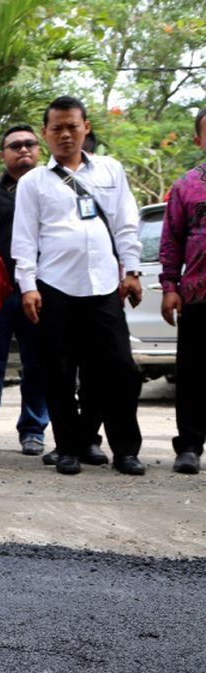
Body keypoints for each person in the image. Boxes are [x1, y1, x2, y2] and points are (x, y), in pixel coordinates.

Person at [13, 96, 145, 476]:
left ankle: (125, 450)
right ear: (46, 134)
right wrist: (27, 286)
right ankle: (68, 447)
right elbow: (24, 239)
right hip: (54, 287)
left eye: (72, 125)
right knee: (58, 371)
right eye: (57, 128)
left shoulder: (110, 170)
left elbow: (125, 223)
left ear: (86, 126)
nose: (65, 134)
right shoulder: (34, 182)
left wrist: (132, 270)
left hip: (105, 286)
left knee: (119, 369)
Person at [0, 125, 50, 457]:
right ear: (3, 154)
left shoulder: (53, 188)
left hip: (41, 291)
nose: (23, 150)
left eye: (30, 144)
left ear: (39, 149)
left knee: (38, 364)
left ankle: (33, 430)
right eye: (14, 146)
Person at [158, 107, 206, 475]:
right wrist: (169, 286)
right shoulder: (186, 185)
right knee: (192, 374)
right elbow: (171, 240)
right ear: (198, 140)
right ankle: (188, 446)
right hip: (197, 295)